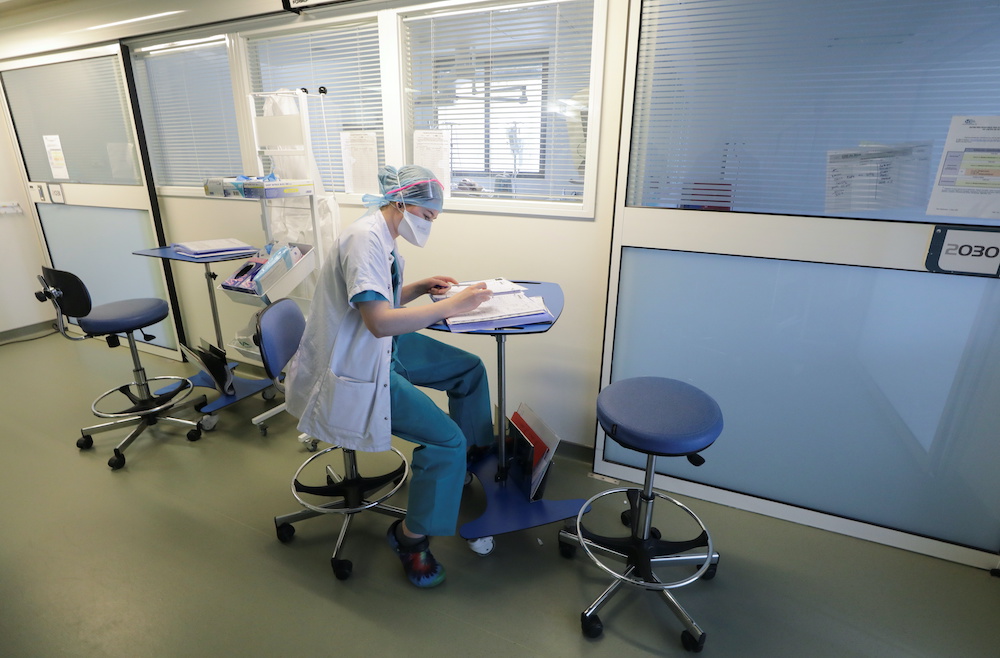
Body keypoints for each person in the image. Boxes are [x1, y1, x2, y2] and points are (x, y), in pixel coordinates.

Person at [285, 165, 496, 588]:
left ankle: (466, 465)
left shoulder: (383, 235)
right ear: (401, 202)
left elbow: (377, 298)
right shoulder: (364, 240)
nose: (429, 224)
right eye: (428, 216)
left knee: (469, 370)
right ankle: (409, 538)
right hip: (358, 363)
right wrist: (452, 306)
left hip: (382, 348)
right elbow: (379, 322)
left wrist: (417, 288)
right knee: (445, 438)